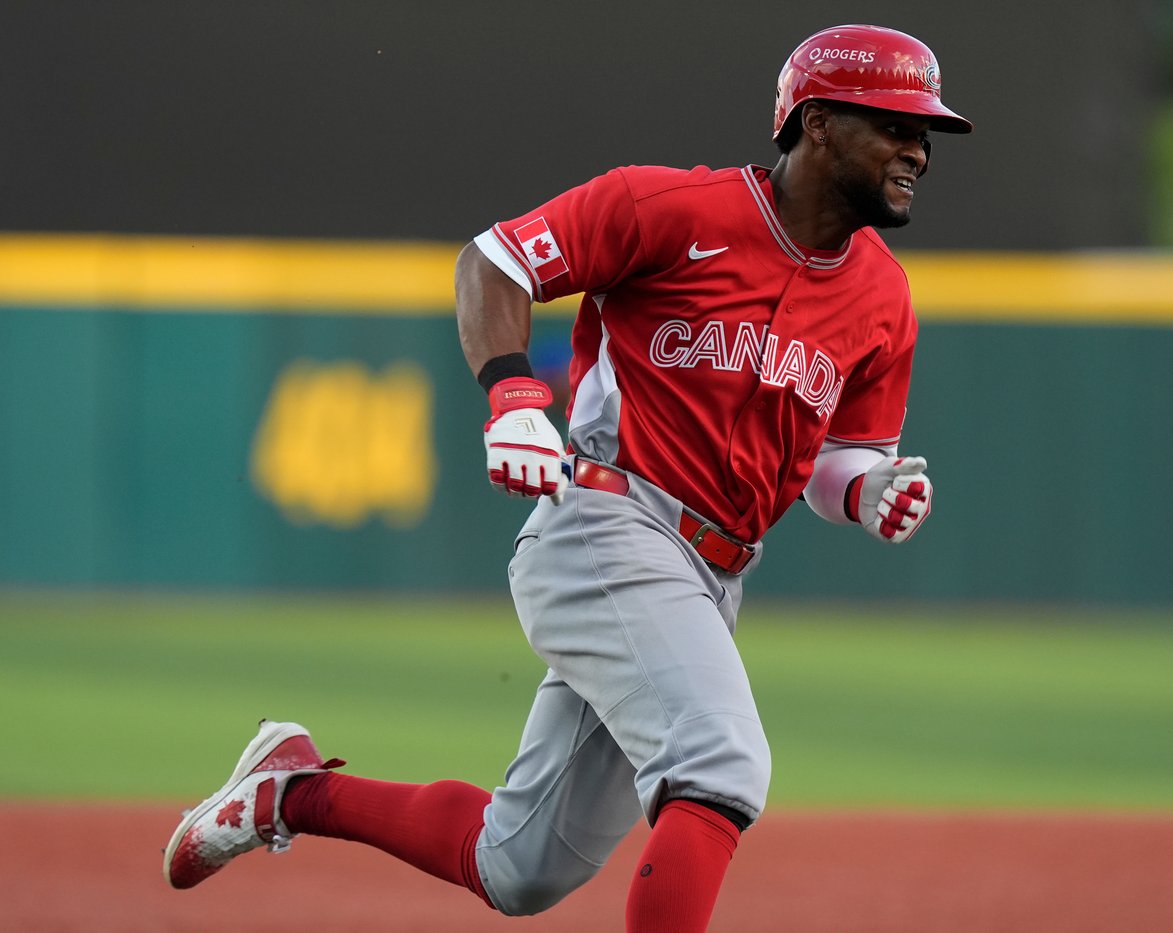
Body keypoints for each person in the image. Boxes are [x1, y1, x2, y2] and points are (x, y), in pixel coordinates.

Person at [163, 23, 972, 932]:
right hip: (609, 525)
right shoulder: (671, 208)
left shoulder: (884, 297)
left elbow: (838, 454)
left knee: (521, 864)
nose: (918, 150)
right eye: (896, 126)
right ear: (817, 123)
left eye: (925, 133)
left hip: (711, 575)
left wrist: (864, 490)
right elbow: (496, 260)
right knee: (719, 762)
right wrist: (512, 396)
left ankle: (289, 793)